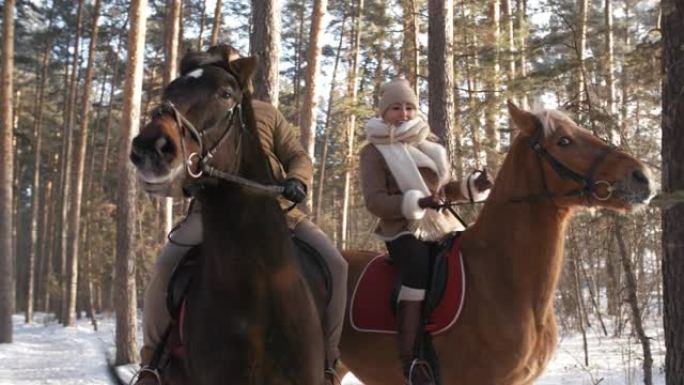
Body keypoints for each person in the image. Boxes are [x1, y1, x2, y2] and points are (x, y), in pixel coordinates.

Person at [135, 44, 348, 385]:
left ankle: (329, 363)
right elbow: (181, 170)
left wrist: (297, 181)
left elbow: (297, 155)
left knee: (336, 265)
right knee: (164, 267)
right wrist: (185, 185)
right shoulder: (196, 114)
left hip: (280, 211)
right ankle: (151, 364)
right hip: (213, 215)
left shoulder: (267, 113)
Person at [359, 79, 493, 385]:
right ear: (384, 112)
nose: (404, 114)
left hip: (442, 224)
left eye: (409, 107)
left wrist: (474, 186)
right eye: (396, 108)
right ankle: (411, 358)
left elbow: (446, 191)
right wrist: (416, 202)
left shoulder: (430, 146)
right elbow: (375, 200)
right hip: (402, 229)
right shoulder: (373, 152)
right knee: (418, 267)